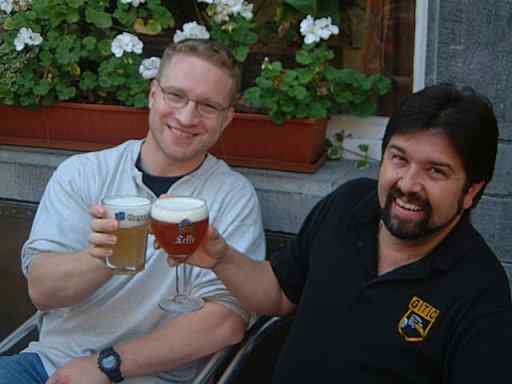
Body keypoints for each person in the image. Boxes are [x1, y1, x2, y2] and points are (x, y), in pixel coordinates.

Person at [183, 84, 512, 383]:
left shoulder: (481, 292)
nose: (409, 184)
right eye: (399, 159)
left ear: (471, 191)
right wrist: (221, 258)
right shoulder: (348, 205)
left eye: (436, 171)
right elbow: (279, 295)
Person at [0, 39, 265, 384]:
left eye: (208, 106)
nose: (187, 116)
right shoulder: (83, 173)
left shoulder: (233, 195)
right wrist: (101, 256)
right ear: (153, 94)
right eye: (176, 95)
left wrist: (107, 367)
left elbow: (225, 322)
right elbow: (43, 292)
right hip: (49, 368)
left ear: (227, 118)